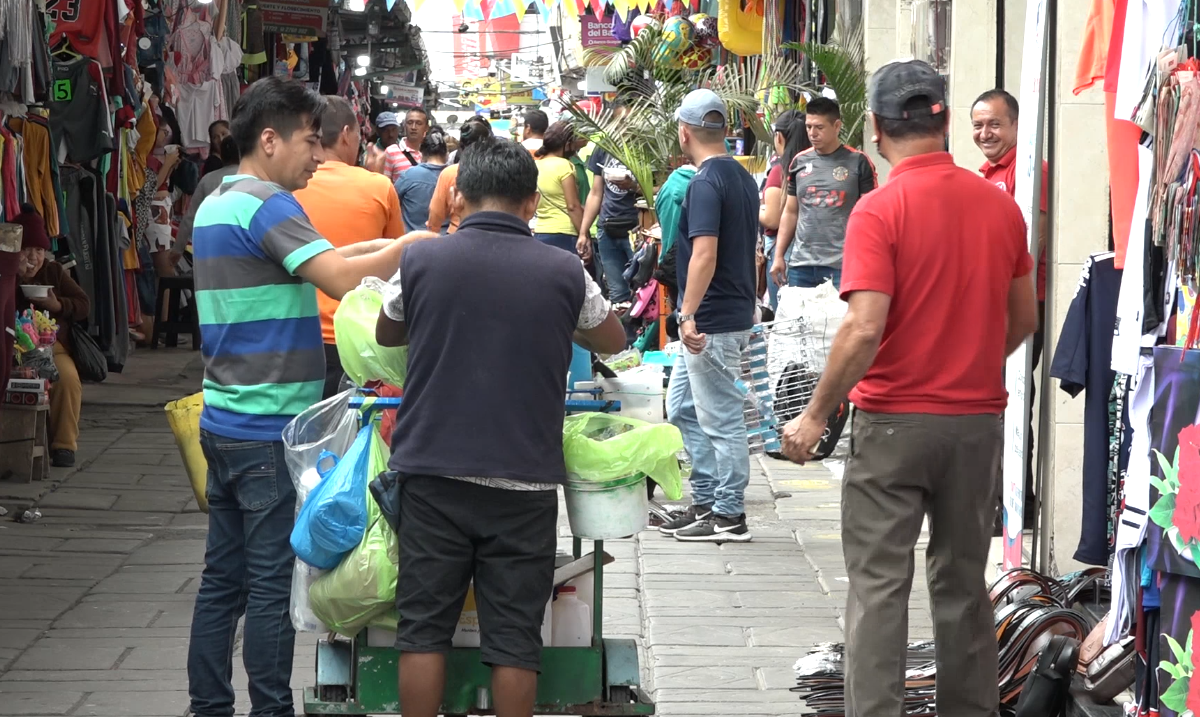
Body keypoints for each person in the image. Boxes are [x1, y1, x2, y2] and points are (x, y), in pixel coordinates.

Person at [780, 60, 1038, 717]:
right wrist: (971, 361)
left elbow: (864, 327)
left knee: (878, 586)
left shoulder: (879, 209)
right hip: (976, 422)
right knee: (963, 585)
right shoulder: (998, 208)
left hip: (893, 421)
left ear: (873, 129)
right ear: (946, 119)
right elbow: (1025, 318)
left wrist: (814, 414)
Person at [186, 76, 435, 717]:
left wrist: (390, 247)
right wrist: (418, 245)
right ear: (268, 140)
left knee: (222, 581)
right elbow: (338, 274)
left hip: (223, 419)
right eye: (307, 142)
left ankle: (208, 705)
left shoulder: (217, 200)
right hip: (266, 426)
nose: (319, 157)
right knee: (269, 582)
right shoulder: (267, 203)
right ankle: (270, 708)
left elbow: (333, 254)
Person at [375, 139, 625, 717]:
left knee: (422, 628)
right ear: (534, 204)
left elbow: (389, 332)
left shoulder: (422, 259)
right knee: (515, 637)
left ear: (458, 198)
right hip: (525, 479)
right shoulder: (565, 270)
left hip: (432, 472)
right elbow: (612, 338)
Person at [658, 90, 760, 543]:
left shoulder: (703, 183)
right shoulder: (739, 178)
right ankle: (704, 501)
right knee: (681, 407)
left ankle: (729, 514)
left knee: (720, 419)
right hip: (724, 312)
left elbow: (704, 254)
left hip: (710, 319)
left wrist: (686, 314)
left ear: (684, 131)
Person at [972, 88, 1051, 528]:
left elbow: (1030, 245)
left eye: (995, 124)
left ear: (1017, 125)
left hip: (1018, 308)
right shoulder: (987, 174)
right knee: (992, 407)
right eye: (979, 125)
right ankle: (999, 503)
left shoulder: (1028, 170)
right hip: (988, 310)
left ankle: (1018, 507)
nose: (985, 133)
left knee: (1012, 407)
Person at [294, 95, 406, 399]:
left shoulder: (288, 189)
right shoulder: (378, 186)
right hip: (358, 335)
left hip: (299, 331)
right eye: (359, 134)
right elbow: (396, 261)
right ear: (346, 134)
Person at [771, 97, 877, 290]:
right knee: (800, 321)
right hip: (801, 265)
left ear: (837, 126)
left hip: (842, 266)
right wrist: (779, 256)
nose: (812, 133)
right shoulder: (799, 162)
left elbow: (871, 214)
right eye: (808, 127)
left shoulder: (858, 162)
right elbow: (791, 211)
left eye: (819, 127)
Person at [13, 207, 88, 468]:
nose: (32, 257)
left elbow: (83, 303)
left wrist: (58, 306)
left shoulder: (54, 272)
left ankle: (64, 446)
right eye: (26, 249)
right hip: (13, 347)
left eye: (39, 250)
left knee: (67, 380)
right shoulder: (5, 272)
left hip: (51, 346)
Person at [579, 100, 639, 304]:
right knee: (618, 296)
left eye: (629, 122)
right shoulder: (604, 148)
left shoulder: (645, 148)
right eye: (620, 122)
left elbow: (660, 187)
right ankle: (624, 336)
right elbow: (596, 193)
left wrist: (634, 187)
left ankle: (639, 335)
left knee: (641, 295)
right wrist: (583, 231)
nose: (625, 127)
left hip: (637, 229)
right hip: (607, 228)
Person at [759, 111, 811, 309]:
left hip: (783, 252)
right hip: (808, 249)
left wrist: (757, 208)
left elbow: (772, 219)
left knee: (784, 314)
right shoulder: (812, 168)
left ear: (779, 137)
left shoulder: (779, 171)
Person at [174, 135, 241, 263]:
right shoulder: (255, 179)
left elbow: (190, 217)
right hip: (244, 249)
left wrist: (178, 249)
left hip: (212, 249)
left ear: (222, 154)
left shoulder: (208, 179)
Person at [427, 116, 495, 233]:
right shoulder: (498, 171)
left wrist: (433, 230)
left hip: (457, 233)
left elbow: (436, 213)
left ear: (461, 146)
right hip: (493, 235)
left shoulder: (450, 173)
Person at [533, 121, 585, 254]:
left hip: (540, 231)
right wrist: (584, 235)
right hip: (565, 233)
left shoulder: (535, 166)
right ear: (567, 144)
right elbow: (572, 206)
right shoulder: (564, 166)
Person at [395, 126, 451, 235]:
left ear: (421, 154)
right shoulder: (455, 176)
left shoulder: (409, 176)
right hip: (446, 242)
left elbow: (392, 202)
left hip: (413, 243)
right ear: (446, 155)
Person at [383, 107, 430, 181]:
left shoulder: (430, 152)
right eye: (410, 123)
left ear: (426, 128)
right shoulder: (391, 152)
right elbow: (385, 184)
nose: (413, 127)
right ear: (404, 125)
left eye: (419, 123)